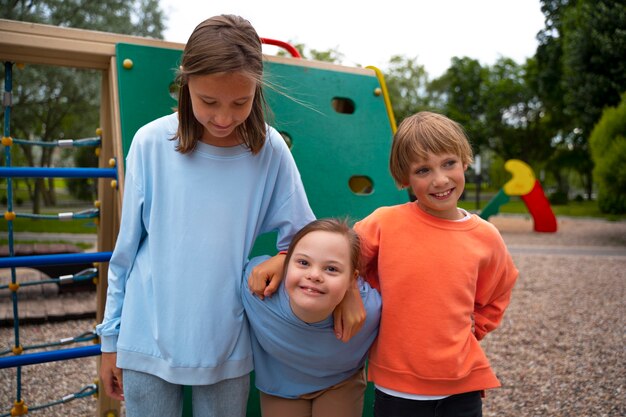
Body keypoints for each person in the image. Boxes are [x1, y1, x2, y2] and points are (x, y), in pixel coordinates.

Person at [95, 15, 316, 417]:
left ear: (257, 90)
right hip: (147, 337)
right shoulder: (150, 143)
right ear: (186, 84)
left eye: (240, 102)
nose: (224, 117)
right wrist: (110, 341)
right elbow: (124, 253)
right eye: (208, 102)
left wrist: (282, 260)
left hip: (226, 338)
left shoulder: (270, 151)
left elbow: (305, 238)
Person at [353, 111, 519, 417]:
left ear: (464, 161)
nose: (440, 179)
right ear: (405, 178)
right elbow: (341, 260)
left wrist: (478, 325)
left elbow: (499, 288)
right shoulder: (384, 224)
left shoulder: (485, 237)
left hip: (462, 386)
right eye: (423, 170)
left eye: (449, 163)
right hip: (398, 388)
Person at [242, 218, 381, 417]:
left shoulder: (371, 311)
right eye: (303, 263)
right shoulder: (257, 289)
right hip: (281, 380)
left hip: (340, 380)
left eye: (331, 269)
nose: (315, 275)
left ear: (352, 279)